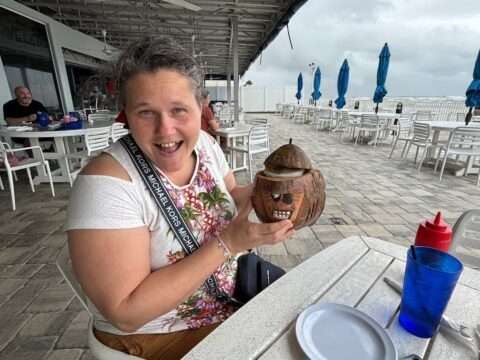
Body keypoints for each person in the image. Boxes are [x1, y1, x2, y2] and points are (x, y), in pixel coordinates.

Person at [65, 36, 294, 360]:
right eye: (146, 113)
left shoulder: (205, 145)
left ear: (201, 107)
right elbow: (126, 312)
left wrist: (264, 193)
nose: (166, 130)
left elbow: (230, 194)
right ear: (125, 114)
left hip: (229, 299)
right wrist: (228, 244)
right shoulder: (106, 185)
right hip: (158, 333)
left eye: (179, 110)